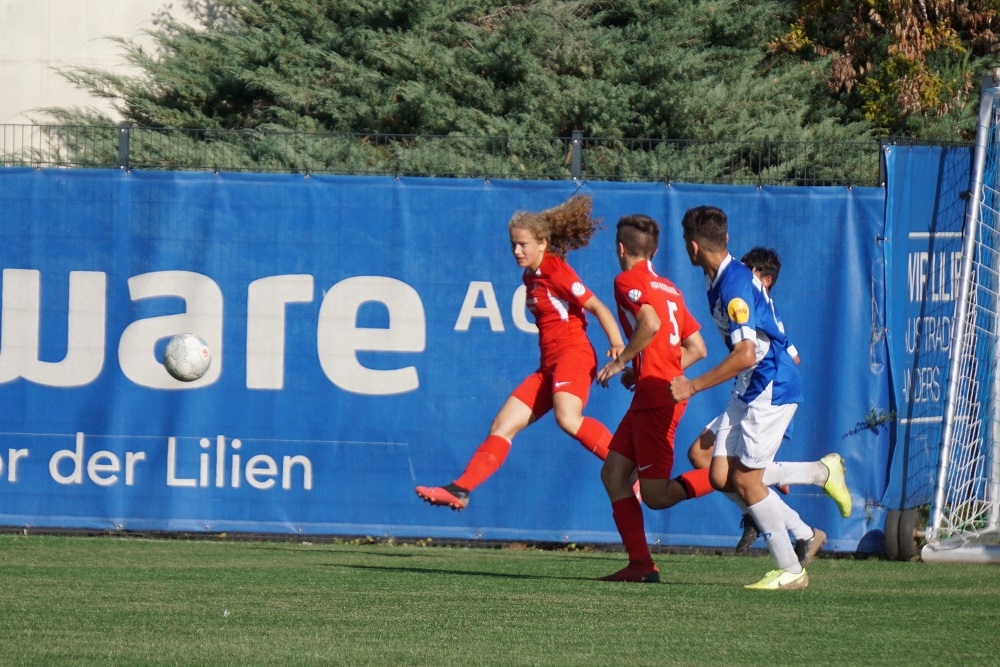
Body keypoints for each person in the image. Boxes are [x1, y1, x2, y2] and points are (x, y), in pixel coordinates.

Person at [415, 194, 626, 510]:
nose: (516, 251)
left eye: (523, 244)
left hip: (574, 355)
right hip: (549, 365)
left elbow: (597, 306)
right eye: (513, 244)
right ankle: (461, 489)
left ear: (542, 243)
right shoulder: (530, 276)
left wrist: (619, 345)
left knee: (567, 418)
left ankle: (628, 468)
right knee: (502, 424)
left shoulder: (557, 271)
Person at [670, 205, 812, 590]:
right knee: (718, 474)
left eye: (686, 242)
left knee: (748, 482)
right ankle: (820, 473)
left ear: (694, 247)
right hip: (750, 385)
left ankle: (791, 568)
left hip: (769, 385)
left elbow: (746, 354)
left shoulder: (733, 286)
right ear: (726, 239)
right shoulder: (717, 276)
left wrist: (693, 385)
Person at [684, 247, 852, 556]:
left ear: (766, 279)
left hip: (762, 391)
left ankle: (792, 525)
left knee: (742, 477)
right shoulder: (745, 294)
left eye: (751, 270)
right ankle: (801, 495)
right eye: (743, 267)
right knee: (705, 459)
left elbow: (789, 354)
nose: (744, 274)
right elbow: (788, 351)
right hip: (745, 390)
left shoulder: (752, 299)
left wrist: (767, 359)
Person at [595, 213, 707, 582]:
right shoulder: (670, 288)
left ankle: (734, 476)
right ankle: (641, 565)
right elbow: (697, 348)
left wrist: (622, 361)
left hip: (658, 400)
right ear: (654, 250)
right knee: (613, 474)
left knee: (656, 496)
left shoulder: (627, 279)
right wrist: (646, 370)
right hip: (653, 392)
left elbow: (651, 325)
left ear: (620, 248)